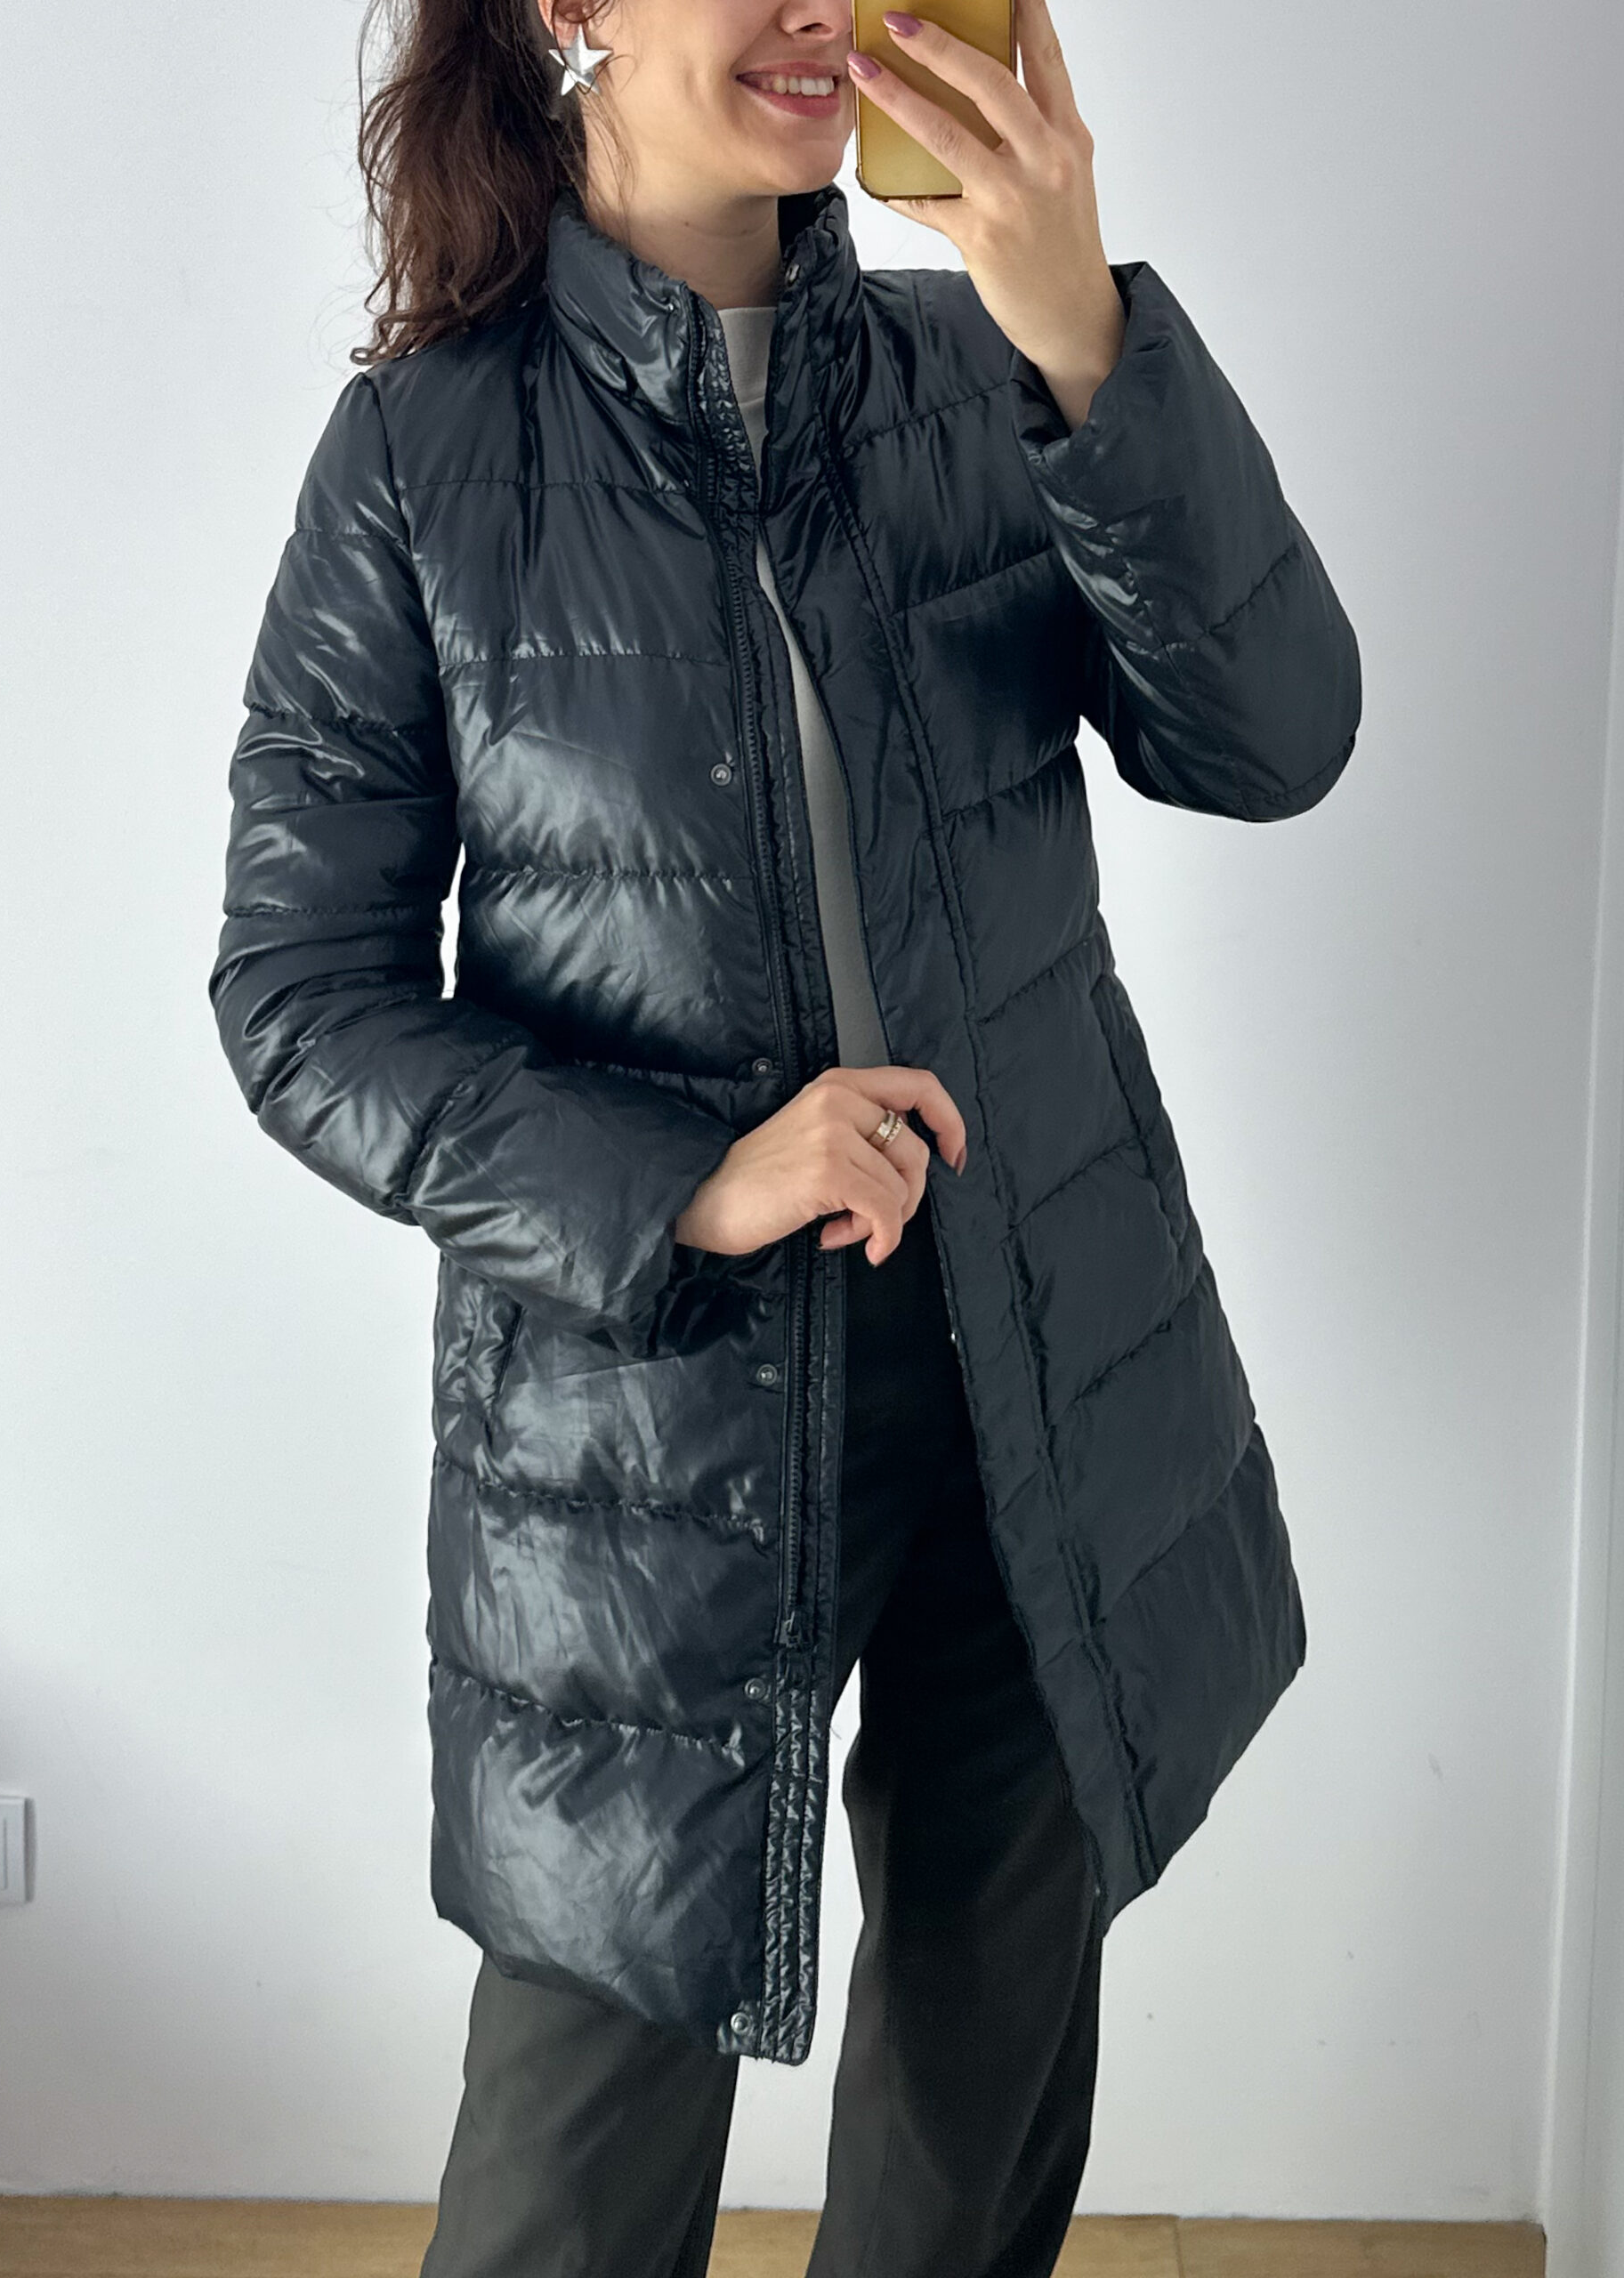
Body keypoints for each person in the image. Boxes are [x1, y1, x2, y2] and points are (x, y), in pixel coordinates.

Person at [207, 0, 1362, 2269]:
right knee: (570, 2178)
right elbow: (299, 996)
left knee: (970, 2133)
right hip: (650, 1419)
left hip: (1035, 1355)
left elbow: (1278, 736)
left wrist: (1086, 330)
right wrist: (689, 1182)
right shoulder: (425, 457)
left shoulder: (979, 374)